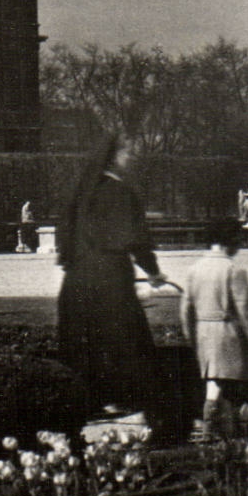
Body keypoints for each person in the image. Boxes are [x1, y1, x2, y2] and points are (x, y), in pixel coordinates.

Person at [56, 133, 169, 418]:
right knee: (124, 338)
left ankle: (86, 400)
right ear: (114, 157)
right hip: (110, 278)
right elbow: (136, 239)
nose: (131, 158)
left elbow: (65, 238)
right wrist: (153, 272)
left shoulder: (81, 192)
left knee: (82, 340)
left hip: (77, 279)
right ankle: (128, 399)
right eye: (127, 152)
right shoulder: (120, 192)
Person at [180, 216, 248, 440]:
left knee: (214, 384)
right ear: (230, 240)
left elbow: (185, 311)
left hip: (204, 333)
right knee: (237, 387)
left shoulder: (194, 269)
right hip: (228, 334)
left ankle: (210, 431)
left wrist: (192, 339)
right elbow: (246, 313)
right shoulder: (233, 270)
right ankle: (236, 433)